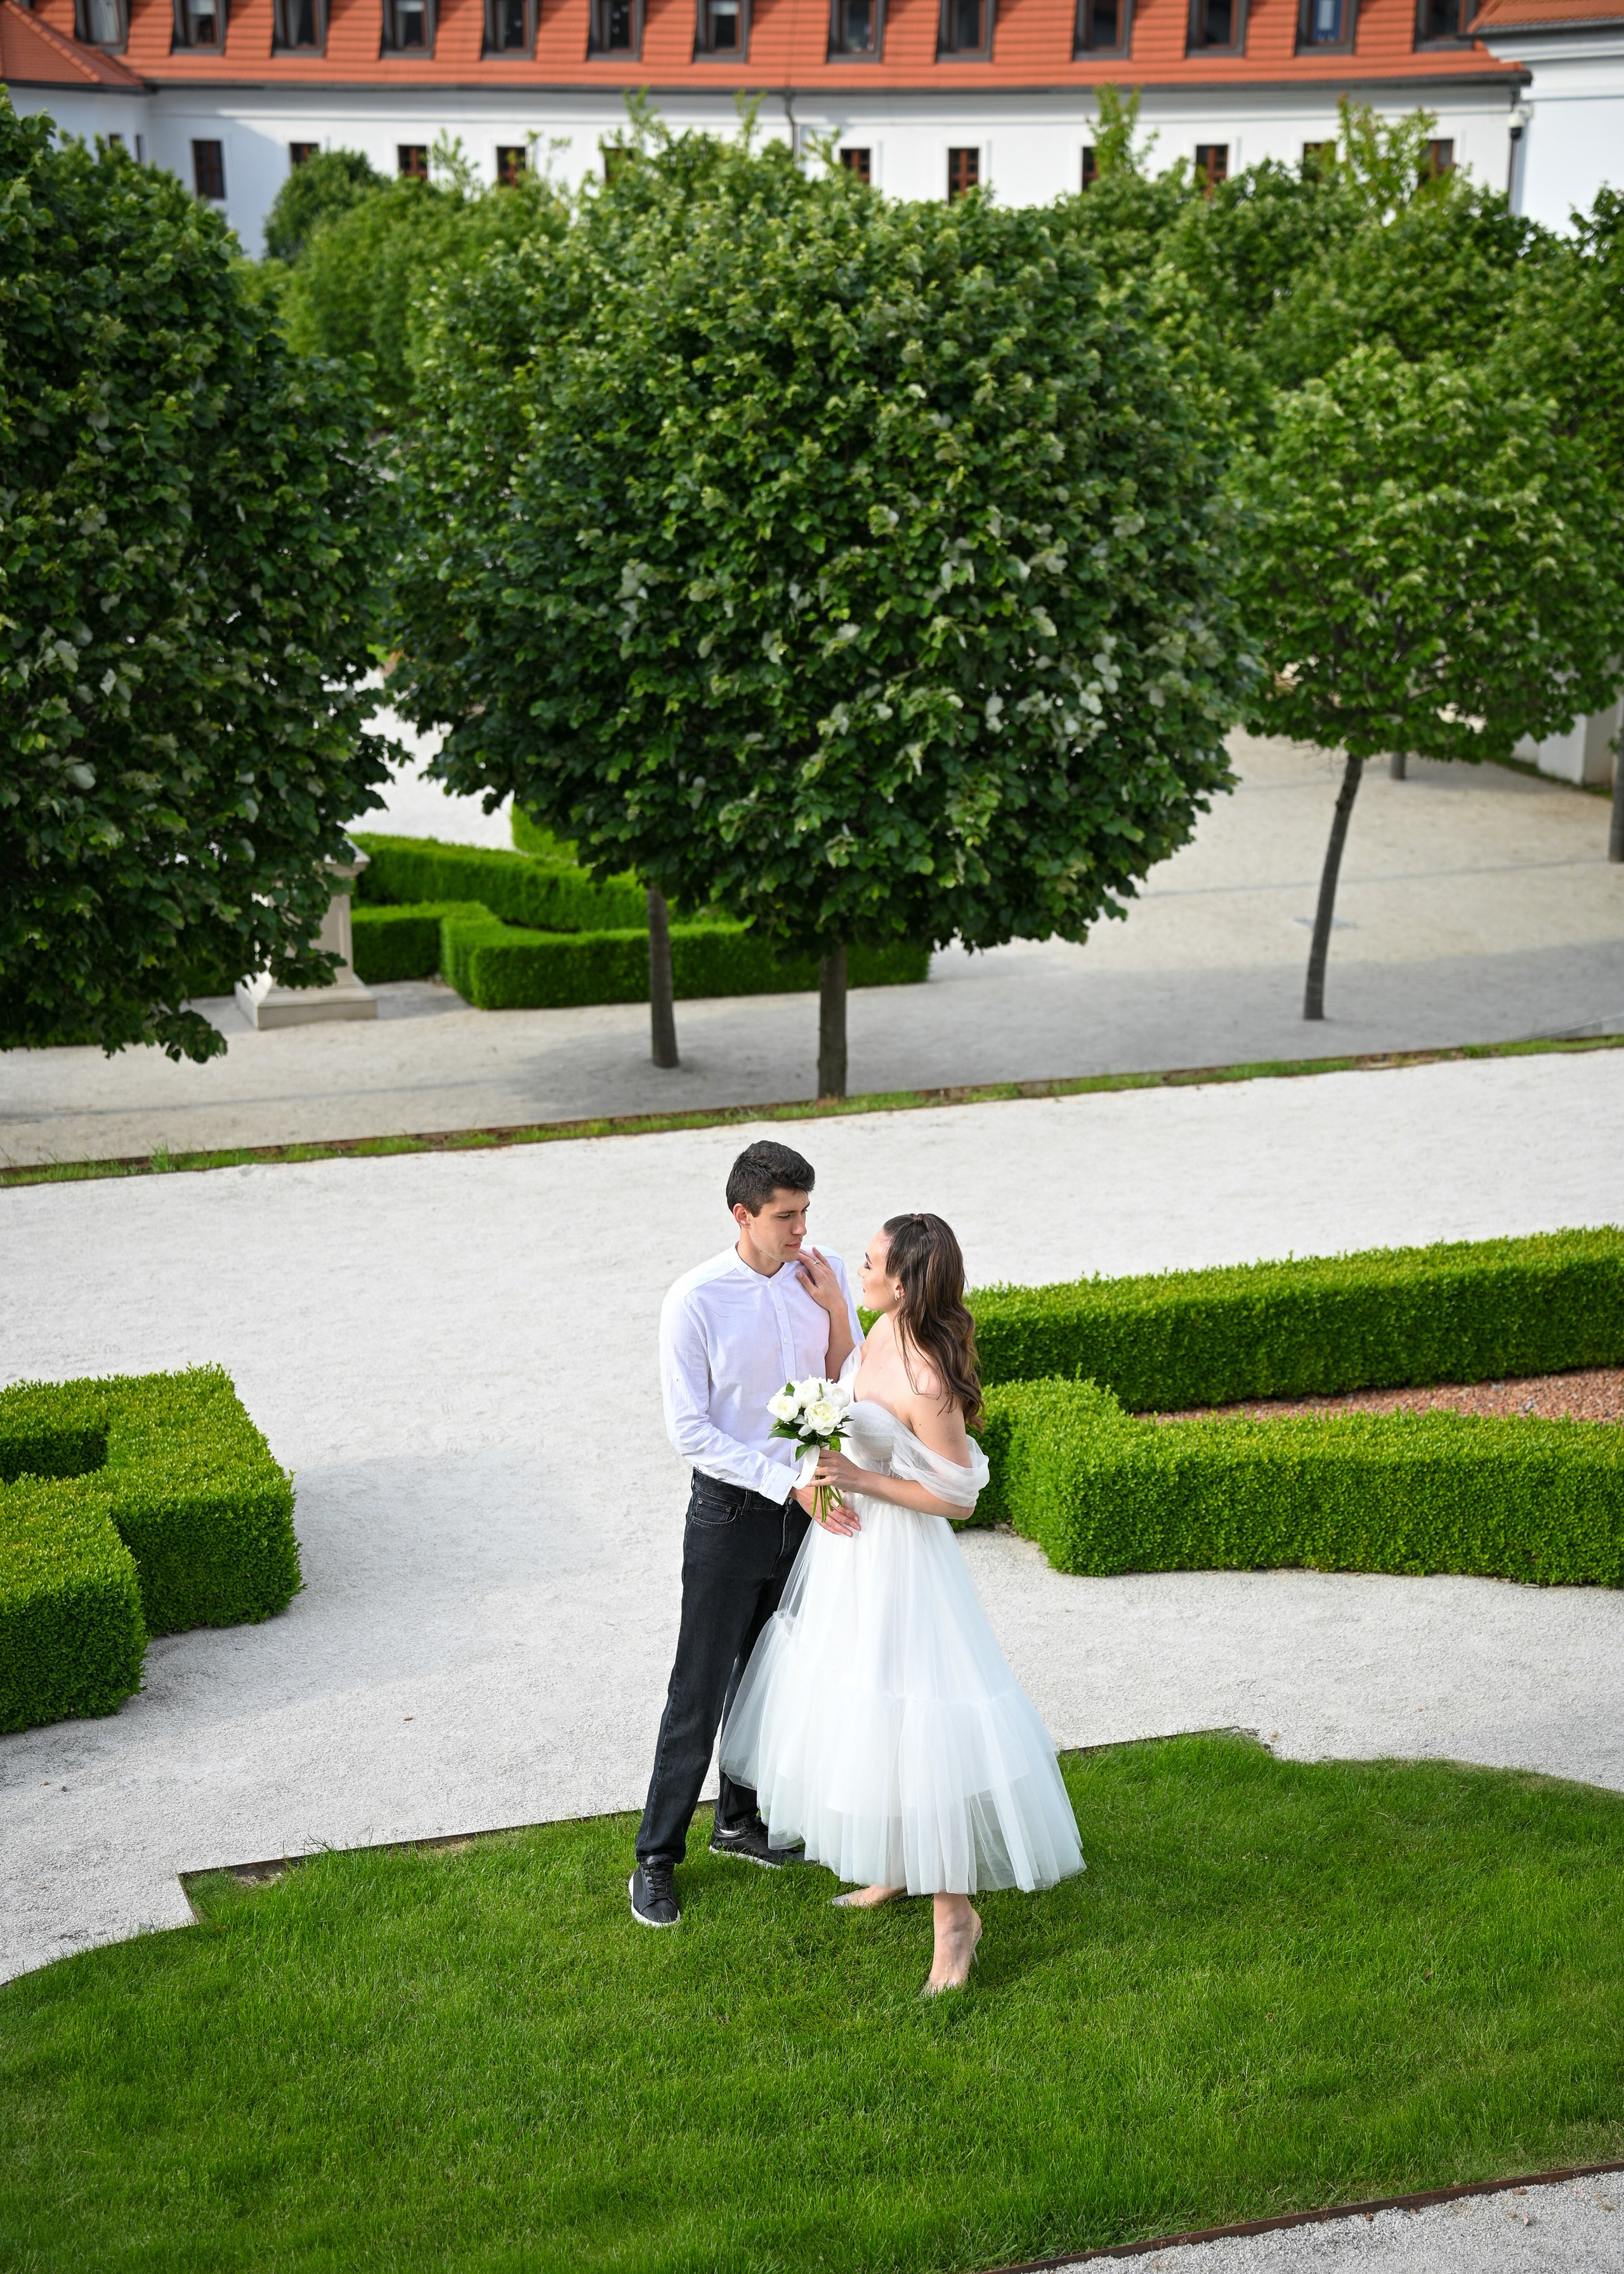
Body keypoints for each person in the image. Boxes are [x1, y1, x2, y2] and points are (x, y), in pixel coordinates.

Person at [719, 1212, 1084, 1995]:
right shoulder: (878, 1331)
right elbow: (851, 1382)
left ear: (906, 1279)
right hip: (849, 1556)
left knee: (918, 1718)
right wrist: (831, 1320)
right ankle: (893, 1864)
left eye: (873, 1259)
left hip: (903, 1564)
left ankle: (955, 1919)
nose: (860, 1260)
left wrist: (858, 1480)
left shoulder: (929, 1377)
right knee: (862, 1709)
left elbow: (956, 1496)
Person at [630, 1138, 864, 1929]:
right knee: (697, 1687)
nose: (803, 1228)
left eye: (806, 1211)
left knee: (771, 1675)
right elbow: (687, 1429)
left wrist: (833, 1306)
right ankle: (656, 1858)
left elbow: (848, 1376)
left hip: (809, 1511)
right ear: (743, 1214)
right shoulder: (693, 1300)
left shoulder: (819, 1267)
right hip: (730, 1513)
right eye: (786, 1215)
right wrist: (782, 1480)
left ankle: (740, 1820)